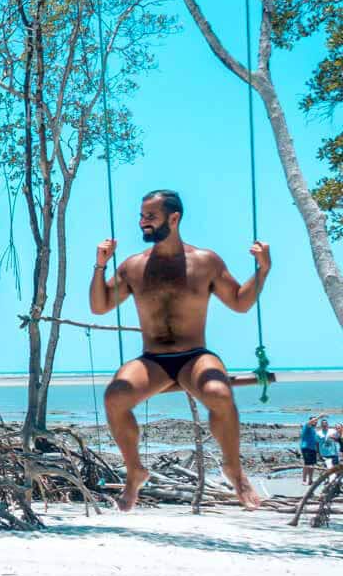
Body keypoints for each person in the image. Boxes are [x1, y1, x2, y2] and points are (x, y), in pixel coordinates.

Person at [90, 189, 269, 512]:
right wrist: (100, 266)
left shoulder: (205, 261)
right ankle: (135, 470)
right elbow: (100, 307)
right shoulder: (133, 266)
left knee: (218, 392)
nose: (143, 222)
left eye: (150, 217)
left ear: (174, 218)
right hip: (153, 361)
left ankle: (234, 470)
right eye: (142, 216)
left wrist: (262, 270)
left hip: (194, 356)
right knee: (114, 397)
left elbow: (240, 303)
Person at [300, 415, 320, 484]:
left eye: (316, 421)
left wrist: (318, 451)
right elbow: (310, 422)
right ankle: (304, 480)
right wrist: (320, 415)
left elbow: (316, 441)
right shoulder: (307, 426)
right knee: (307, 464)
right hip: (306, 447)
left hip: (312, 448)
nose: (315, 422)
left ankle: (310, 480)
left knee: (311, 465)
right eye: (314, 421)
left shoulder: (314, 430)